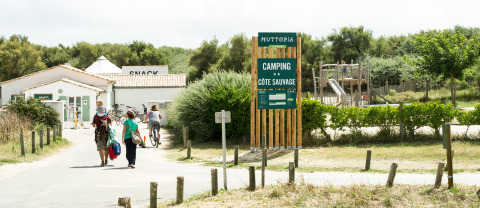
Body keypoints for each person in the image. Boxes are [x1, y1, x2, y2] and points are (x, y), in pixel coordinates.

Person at [92, 100, 111, 167]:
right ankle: (106, 160)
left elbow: (93, 125)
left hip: (98, 133)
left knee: (100, 148)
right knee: (106, 147)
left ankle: (102, 161)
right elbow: (110, 123)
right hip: (106, 133)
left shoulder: (96, 116)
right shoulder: (107, 116)